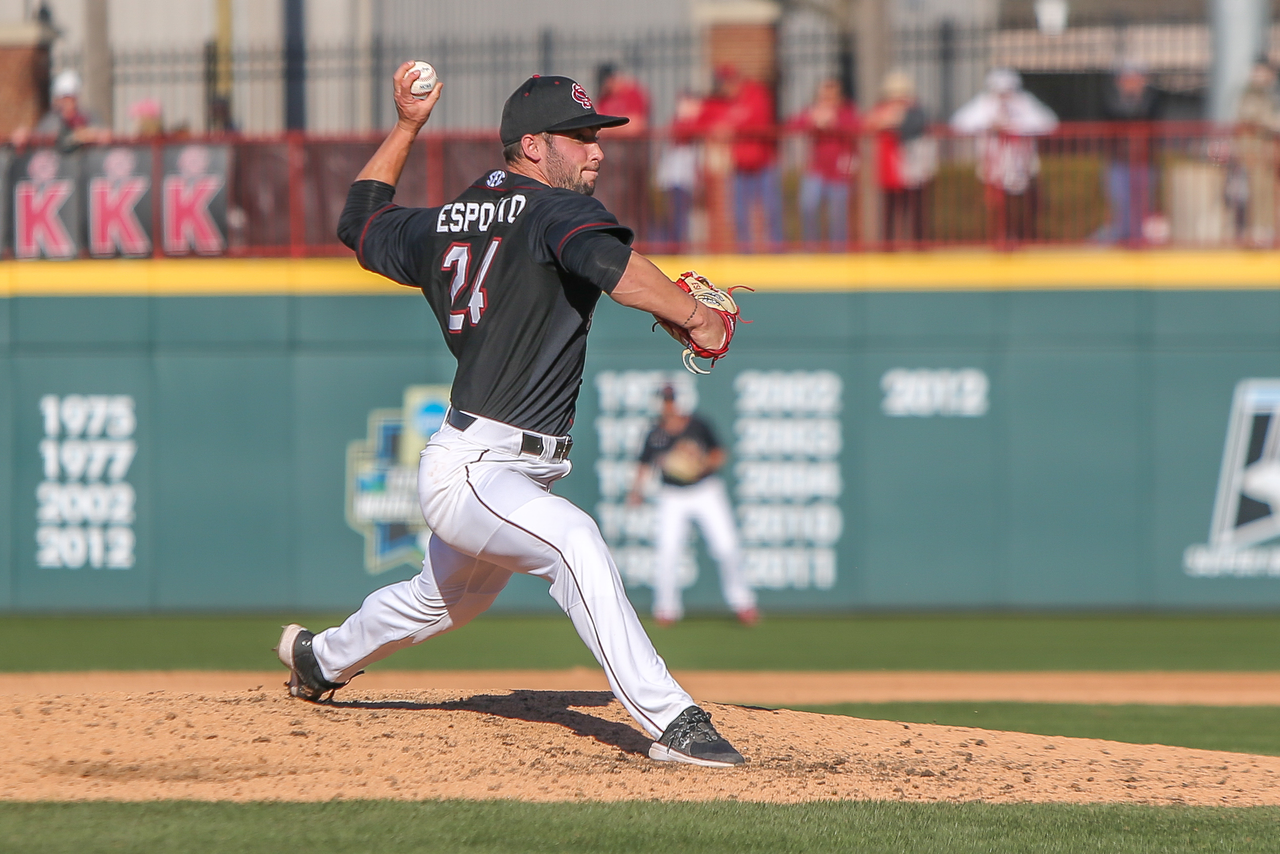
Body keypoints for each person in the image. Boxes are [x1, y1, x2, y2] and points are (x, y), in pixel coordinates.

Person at [275, 65, 746, 769]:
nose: (597, 150)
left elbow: (360, 221)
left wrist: (406, 127)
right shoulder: (554, 211)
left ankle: (321, 659)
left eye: (596, 136)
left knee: (441, 602)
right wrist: (696, 317)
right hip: (476, 467)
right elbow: (614, 268)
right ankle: (673, 720)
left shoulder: (447, 222)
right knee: (575, 542)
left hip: (494, 463)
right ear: (532, 146)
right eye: (580, 137)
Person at [628, 384, 757, 627]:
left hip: (705, 490)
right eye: (664, 401)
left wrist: (699, 464)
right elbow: (644, 464)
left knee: (726, 546)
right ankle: (666, 608)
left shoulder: (698, 425)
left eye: (671, 400)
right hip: (672, 494)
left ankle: (743, 603)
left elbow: (719, 453)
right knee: (667, 551)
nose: (668, 405)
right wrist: (636, 491)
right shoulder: (655, 433)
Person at [951, 68, 1058, 244]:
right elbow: (959, 123)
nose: (1004, 95)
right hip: (993, 167)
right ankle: (998, 239)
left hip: (1021, 167)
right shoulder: (984, 103)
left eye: (1007, 90)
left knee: (1022, 207)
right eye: (1000, 91)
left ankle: (1022, 239)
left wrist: (1016, 125)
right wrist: (989, 124)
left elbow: (1049, 123)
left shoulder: (1024, 102)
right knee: (995, 207)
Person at [703, 64, 783, 251]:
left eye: (727, 82)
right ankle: (744, 252)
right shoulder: (723, 102)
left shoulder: (756, 93)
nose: (724, 87)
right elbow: (703, 121)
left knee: (770, 210)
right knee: (739, 214)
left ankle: (777, 251)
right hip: (740, 165)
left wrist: (732, 127)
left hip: (764, 163)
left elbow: (761, 120)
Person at [1092, 62, 1160, 245]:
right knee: (1120, 206)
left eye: (1135, 78)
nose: (1131, 83)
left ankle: (1136, 241)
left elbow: (1149, 117)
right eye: (1127, 79)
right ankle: (1121, 240)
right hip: (1119, 162)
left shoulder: (1152, 100)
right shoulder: (1111, 100)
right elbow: (1113, 117)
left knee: (1142, 207)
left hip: (1144, 163)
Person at [787, 78, 860, 249]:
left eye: (830, 97)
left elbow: (856, 126)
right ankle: (811, 248)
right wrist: (812, 120)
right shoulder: (813, 112)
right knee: (808, 206)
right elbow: (792, 125)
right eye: (823, 97)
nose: (826, 100)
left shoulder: (846, 112)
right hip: (816, 171)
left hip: (839, 174)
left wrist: (834, 122)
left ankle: (838, 252)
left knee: (838, 217)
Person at [865, 70, 934, 245]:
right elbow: (868, 123)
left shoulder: (915, 110)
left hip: (912, 166)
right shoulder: (881, 109)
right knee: (890, 209)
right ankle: (888, 245)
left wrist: (900, 119)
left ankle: (918, 244)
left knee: (915, 208)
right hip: (890, 169)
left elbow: (919, 123)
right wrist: (887, 120)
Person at [593, 64, 651, 240]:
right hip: (611, 165)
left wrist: (608, 129)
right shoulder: (604, 97)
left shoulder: (632, 93)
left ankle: (638, 240)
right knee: (612, 205)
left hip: (633, 160)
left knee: (634, 205)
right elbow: (595, 121)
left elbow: (636, 125)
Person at [1233, 60, 1280, 246]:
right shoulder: (1249, 94)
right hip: (1253, 150)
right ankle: (1256, 230)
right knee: (1255, 192)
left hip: (1266, 151)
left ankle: (1266, 229)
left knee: (1267, 191)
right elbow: (1253, 119)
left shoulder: (1267, 95)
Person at [10, 69, 109, 152]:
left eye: (70, 98)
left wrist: (91, 135)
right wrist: (26, 135)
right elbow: (39, 136)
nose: (67, 102)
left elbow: (104, 134)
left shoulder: (88, 116)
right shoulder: (52, 119)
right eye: (63, 98)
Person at [654, 91, 704, 250]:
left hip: (685, 176)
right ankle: (674, 245)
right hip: (675, 176)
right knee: (673, 212)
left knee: (682, 212)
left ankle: (679, 244)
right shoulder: (678, 122)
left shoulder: (695, 122)